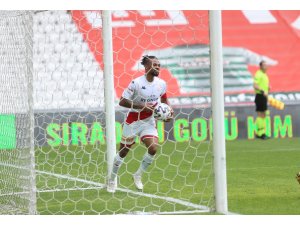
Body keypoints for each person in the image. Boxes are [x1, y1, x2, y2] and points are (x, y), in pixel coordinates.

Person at [107, 55, 173, 193]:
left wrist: (169, 112)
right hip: (133, 121)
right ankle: (112, 179)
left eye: (159, 65)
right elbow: (122, 101)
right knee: (123, 151)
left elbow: (165, 100)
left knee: (153, 148)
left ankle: (138, 175)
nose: (157, 67)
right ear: (147, 67)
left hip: (149, 122)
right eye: (154, 64)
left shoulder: (161, 84)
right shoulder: (136, 83)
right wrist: (141, 106)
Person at [253, 60, 270, 140]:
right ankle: (260, 133)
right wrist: (263, 90)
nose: (266, 67)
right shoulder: (258, 74)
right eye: (264, 65)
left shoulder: (264, 75)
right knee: (260, 114)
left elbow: (263, 85)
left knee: (263, 115)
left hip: (263, 97)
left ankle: (261, 133)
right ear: (260, 66)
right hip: (260, 96)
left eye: (266, 65)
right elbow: (255, 85)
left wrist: (268, 88)